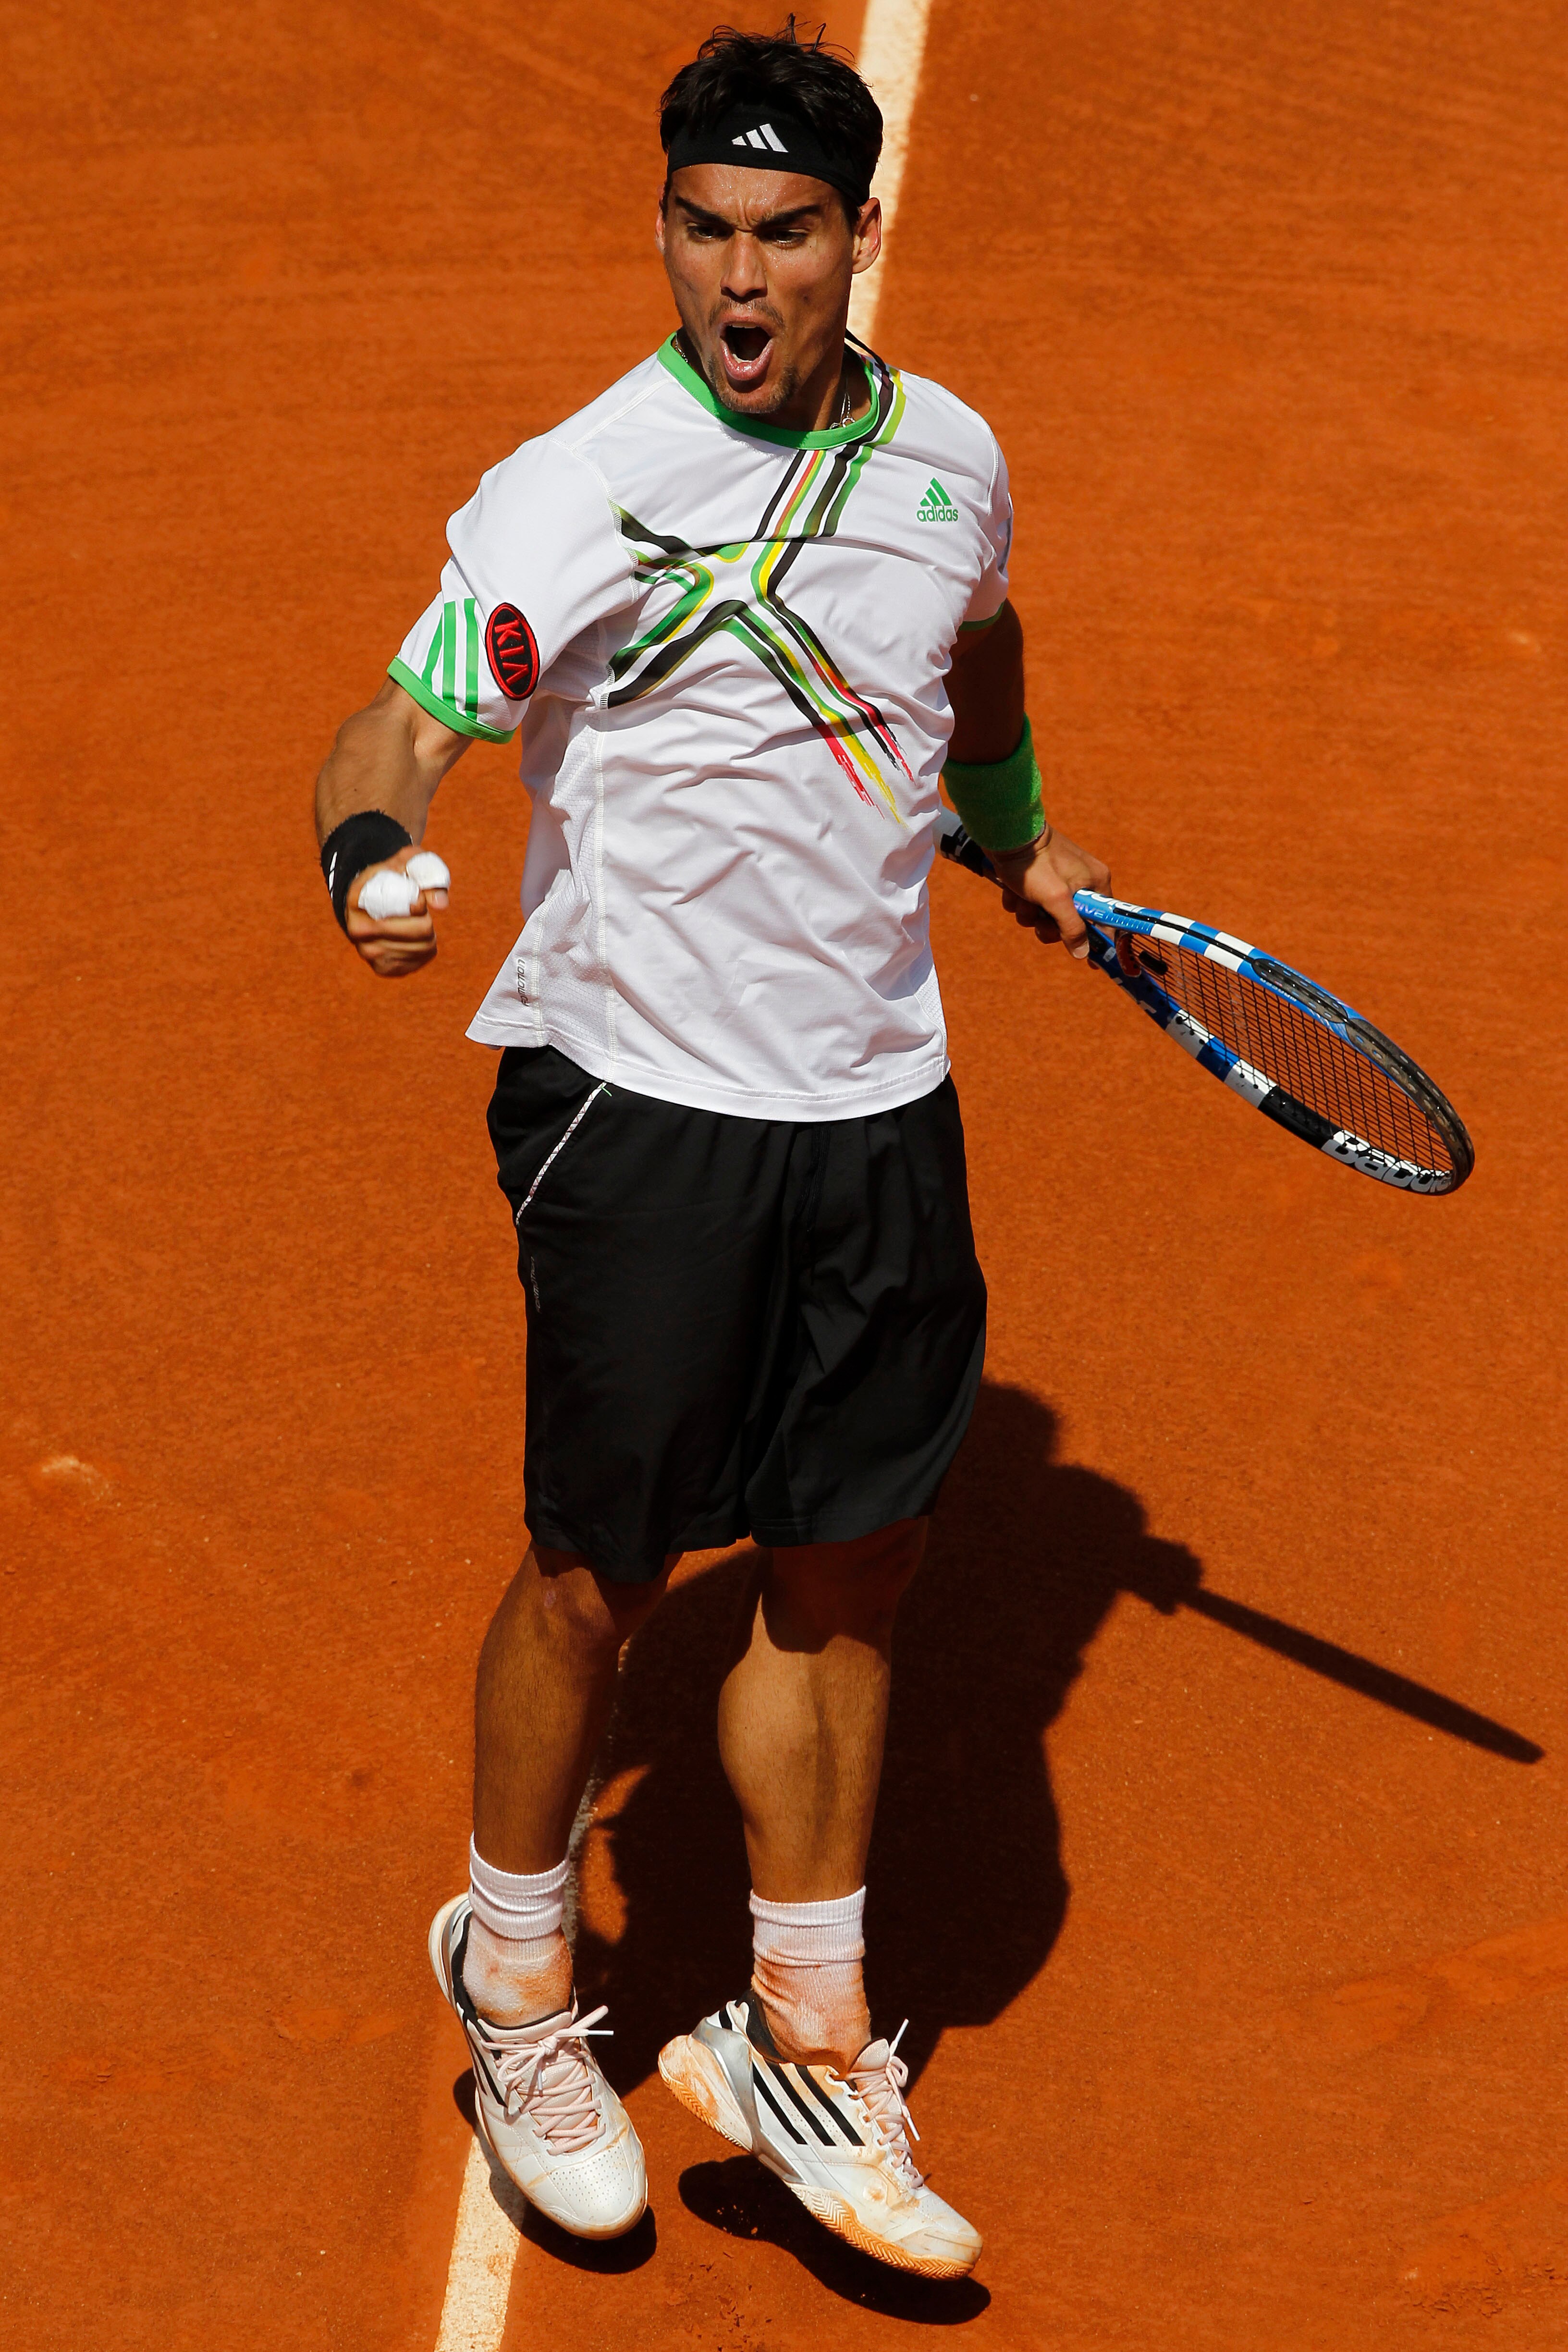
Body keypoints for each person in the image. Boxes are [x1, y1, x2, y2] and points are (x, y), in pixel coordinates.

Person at [313, 22, 1108, 2282]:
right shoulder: (574, 485)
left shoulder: (950, 458)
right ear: (663, 229)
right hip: (638, 1102)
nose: (742, 281)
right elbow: (406, 722)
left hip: (875, 1101)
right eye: (703, 230)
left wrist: (1015, 835)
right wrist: (370, 848)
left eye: (786, 234)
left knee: (855, 1566)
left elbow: (980, 653)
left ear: (861, 236)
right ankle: (519, 1981)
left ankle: (804, 2033)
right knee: (601, 1572)